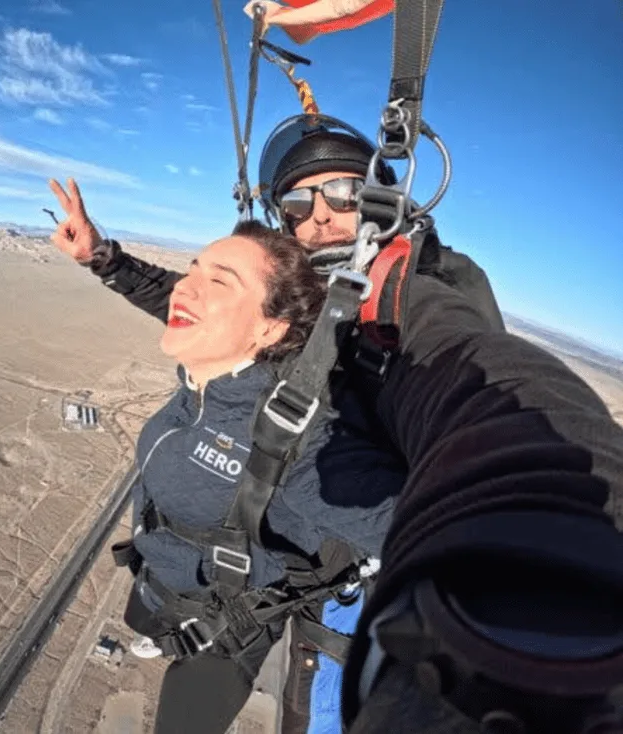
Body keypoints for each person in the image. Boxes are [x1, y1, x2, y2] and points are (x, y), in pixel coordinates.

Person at [48, 111, 623, 733]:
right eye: (298, 201)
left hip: (332, 549)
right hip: (253, 568)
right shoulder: (293, 300)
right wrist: (104, 258)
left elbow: (483, 383)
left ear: (378, 199)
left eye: (344, 193)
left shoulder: (409, 294)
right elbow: (196, 305)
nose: (321, 214)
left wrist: (554, 532)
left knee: (317, 704)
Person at [104, 220, 403, 733]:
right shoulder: (204, 378)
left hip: (227, 627)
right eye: (193, 268)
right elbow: (173, 301)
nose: (185, 285)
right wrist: (103, 260)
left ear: (270, 330)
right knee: (144, 619)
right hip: (165, 583)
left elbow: (440, 535)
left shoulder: (297, 444)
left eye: (219, 282)